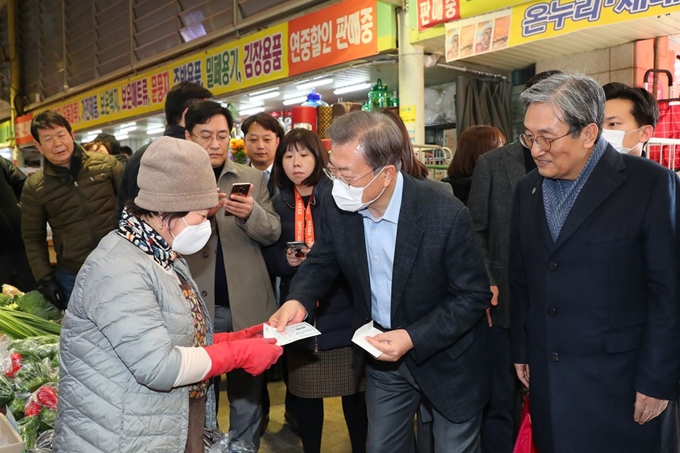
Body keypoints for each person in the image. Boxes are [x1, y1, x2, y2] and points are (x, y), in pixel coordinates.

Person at [270, 110, 492, 453]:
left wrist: (412, 336)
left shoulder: (443, 213)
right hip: (381, 354)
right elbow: (323, 259)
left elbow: (471, 296)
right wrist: (298, 300)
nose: (337, 184)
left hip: (447, 357)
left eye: (347, 175)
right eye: (334, 170)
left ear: (387, 173)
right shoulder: (334, 202)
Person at [53, 136, 283, 453]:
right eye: (201, 217)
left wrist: (239, 338)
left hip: (160, 424)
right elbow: (159, 366)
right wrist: (240, 356)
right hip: (121, 436)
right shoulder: (119, 269)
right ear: (165, 212)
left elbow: (179, 337)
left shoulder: (162, 254)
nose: (206, 226)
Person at [510, 73, 680, 453]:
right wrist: (522, 350)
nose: (536, 149)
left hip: (621, 384)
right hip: (549, 377)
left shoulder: (650, 185)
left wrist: (657, 381)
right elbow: (521, 277)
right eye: (528, 136)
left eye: (546, 137)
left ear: (588, 134)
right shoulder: (527, 190)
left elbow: (669, 294)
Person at [467, 70, 559, 453]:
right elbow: (475, 230)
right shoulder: (493, 164)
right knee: (500, 401)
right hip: (504, 306)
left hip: (557, 308)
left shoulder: (580, 166)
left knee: (553, 400)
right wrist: (487, 280)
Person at [182, 100, 281, 449]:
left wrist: (251, 212)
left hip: (246, 307)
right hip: (194, 308)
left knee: (248, 397)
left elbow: (272, 233)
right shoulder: (178, 182)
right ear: (188, 136)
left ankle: (244, 447)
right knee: (198, 397)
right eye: (205, 135)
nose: (214, 143)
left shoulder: (250, 177)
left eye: (222, 135)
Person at [263, 128, 368, 453]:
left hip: (341, 306)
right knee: (306, 394)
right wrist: (287, 260)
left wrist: (322, 261)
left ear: (318, 158)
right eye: (289, 156)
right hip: (298, 311)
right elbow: (268, 256)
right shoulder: (277, 201)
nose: (296, 163)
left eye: (304, 155)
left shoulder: (339, 194)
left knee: (354, 393)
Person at [21, 111, 123, 307]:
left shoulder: (107, 165)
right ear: (38, 146)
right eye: (48, 139)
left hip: (121, 263)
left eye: (61, 135)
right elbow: (33, 238)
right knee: (85, 334)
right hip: (74, 274)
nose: (57, 143)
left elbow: (133, 207)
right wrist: (45, 280)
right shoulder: (34, 187)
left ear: (72, 135)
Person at [117, 81, 213, 213]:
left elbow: (121, 209)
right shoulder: (189, 156)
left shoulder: (138, 155)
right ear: (188, 114)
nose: (210, 121)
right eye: (205, 115)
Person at [443, 125, 505, 205]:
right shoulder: (489, 189)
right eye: (499, 149)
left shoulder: (443, 187)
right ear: (482, 153)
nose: (503, 154)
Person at [0, 157, 35, 291]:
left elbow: (24, 184)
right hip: (16, 239)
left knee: (31, 292)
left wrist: (19, 209)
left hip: (19, 238)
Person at [601, 82, 658, 157]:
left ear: (644, 133)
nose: (601, 132)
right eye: (598, 124)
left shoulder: (653, 169)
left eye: (613, 124)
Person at [242, 112, 285, 198]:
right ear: (245, 142)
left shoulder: (288, 175)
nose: (260, 146)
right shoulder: (237, 177)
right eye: (253, 140)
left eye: (267, 139)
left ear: (277, 142)